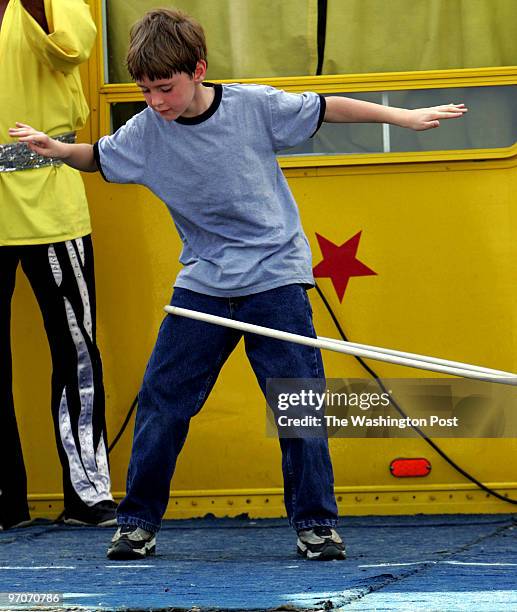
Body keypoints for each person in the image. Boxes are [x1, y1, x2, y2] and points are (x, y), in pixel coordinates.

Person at [9, 8, 467, 557]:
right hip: (204, 284)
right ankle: (137, 524)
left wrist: (404, 119)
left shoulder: (255, 106)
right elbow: (101, 157)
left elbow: (328, 109)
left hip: (274, 275)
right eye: (145, 89)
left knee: (297, 404)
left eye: (165, 88)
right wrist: (60, 151)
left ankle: (315, 525)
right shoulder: (147, 129)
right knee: (162, 400)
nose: (156, 101)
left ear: (198, 70)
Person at [0, 0, 117, 528]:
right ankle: (5, 498)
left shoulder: (55, 2)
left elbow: (72, 49)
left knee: (75, 350)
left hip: (51, 200)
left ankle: (87, 492)